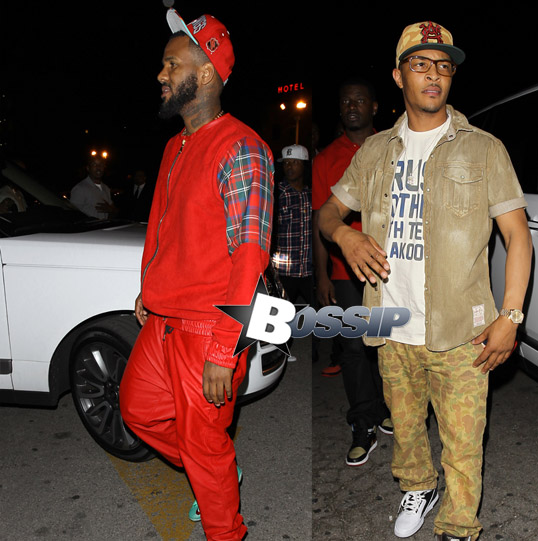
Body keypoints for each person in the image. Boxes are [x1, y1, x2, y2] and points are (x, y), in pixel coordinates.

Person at [317, 21, 532, 541]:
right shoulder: (374, 152)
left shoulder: (484, 149)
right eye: (420, 64)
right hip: (392, 325)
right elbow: (327, 213)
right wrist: (345, 237)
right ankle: (418, 487)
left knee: (464, 443)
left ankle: (458, 525)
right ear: (399, 76)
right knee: (406, 429)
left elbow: (519, 237)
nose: (433, 75)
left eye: (443, 66)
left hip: (462, 332)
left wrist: (511, 317)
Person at [119, 9, 274, 541]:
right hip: (163, 320)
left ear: (205, 73)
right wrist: (148, 287)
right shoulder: (174, 145)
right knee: (138, 411)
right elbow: (164, 227)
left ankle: (224, 521)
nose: (160, 75)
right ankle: (217, 468)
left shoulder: (242, 148)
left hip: (208, 327)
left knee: (204, 447)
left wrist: (224, 349)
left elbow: (249, 256)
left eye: (171, 64)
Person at [312, 77, 392, 466]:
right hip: (346, 272)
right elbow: (320, 220)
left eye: (360, 100)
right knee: (354, 348)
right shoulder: (326, 158)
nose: (352, 106)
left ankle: (387, 408)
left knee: (389, 342)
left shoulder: (393, 146)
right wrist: (322, 275)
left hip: (390, 268)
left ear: (374, 107)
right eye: (346, 101)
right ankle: (363, 423)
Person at [271, 144, 312, 305]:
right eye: (286, 162)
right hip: (284, 270)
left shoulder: (311, 193)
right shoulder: (276, 192)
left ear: (304, 165)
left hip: (308, 270)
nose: (289, 166)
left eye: (295, 162)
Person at [70, 153, 117, 219]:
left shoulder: (106, 188)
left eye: (101, 165)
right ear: (88, 168)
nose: (98, 167)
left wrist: (111, 210)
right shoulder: (79, 189)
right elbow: (72, 215)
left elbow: (114, 212)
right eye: (94, 165)